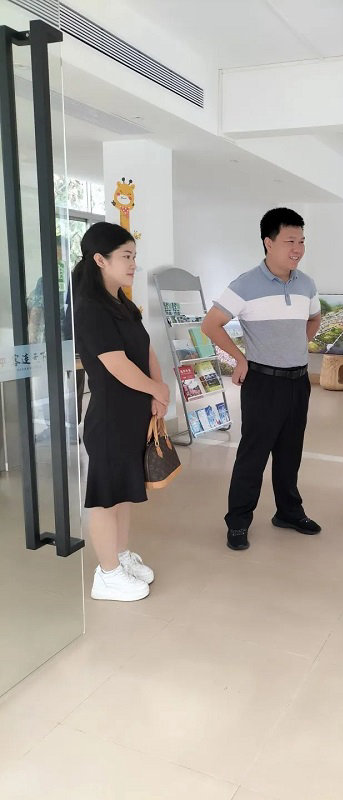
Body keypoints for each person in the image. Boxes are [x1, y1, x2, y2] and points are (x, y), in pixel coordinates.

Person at [201, 207, 322, 551]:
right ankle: (238, 521)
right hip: (263, 382)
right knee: (253, 455)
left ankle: (289, 512)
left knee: (290, 452)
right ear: (268, 242)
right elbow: (210, 324)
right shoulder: (245, 284)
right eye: (290, 241)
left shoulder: (306, 283)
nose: (297, 249)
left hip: (299, 381)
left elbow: (314, 319)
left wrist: (296, 346)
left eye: (301, 241)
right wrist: (240, 358)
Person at [73, 222, 170, 601]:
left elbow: (145, 350)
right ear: (100, 260)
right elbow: (115, 363)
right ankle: (107, 574)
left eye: (134, 256)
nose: (133, 264)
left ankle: (121, 555)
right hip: (110, 418)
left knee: (125, 490)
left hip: (135, 413)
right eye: (126, 256)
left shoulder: (123, 305)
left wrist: (159, 391)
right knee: (106, 496)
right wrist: (155, 389)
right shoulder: (90, 308)